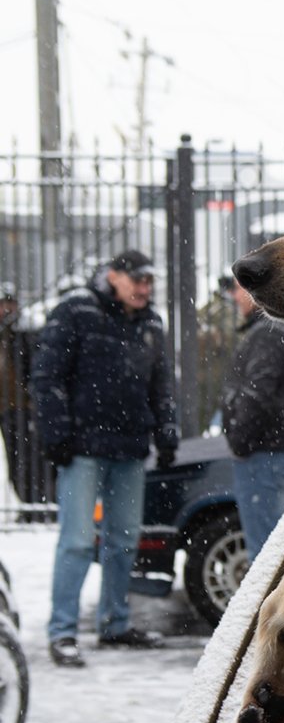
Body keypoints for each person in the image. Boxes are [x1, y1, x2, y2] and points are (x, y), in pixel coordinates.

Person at [32, 250, 178, 667]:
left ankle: (115, 624)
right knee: (78, 541)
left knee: (123, 540)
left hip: (130, 449)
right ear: (112, 276)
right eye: (137, 279)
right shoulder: (77, 310)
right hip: (83, 449)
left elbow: (162, 383)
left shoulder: (151, 323)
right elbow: (47, 376)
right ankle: (62, 632)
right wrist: (57, 434)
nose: (144, 288)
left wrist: (166, 431)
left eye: (149, 281)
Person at [219, 274, 284, 555]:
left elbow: (258, 394)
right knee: (280, 547)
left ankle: (264, 601)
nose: (234, 297)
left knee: (265, 555)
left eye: (237, 289)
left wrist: (239, 443)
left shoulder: (269, 332)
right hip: (279, 447)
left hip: (264, 453)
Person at [0, 284, 50, 508]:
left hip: (23, 408)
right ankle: (31, 506)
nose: (6, 309)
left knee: (30, 464)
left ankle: (37, 506)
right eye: (3, 304)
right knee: (16, 465)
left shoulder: (24, 333)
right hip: (8, 409)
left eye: (10, 303)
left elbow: (35, 368)